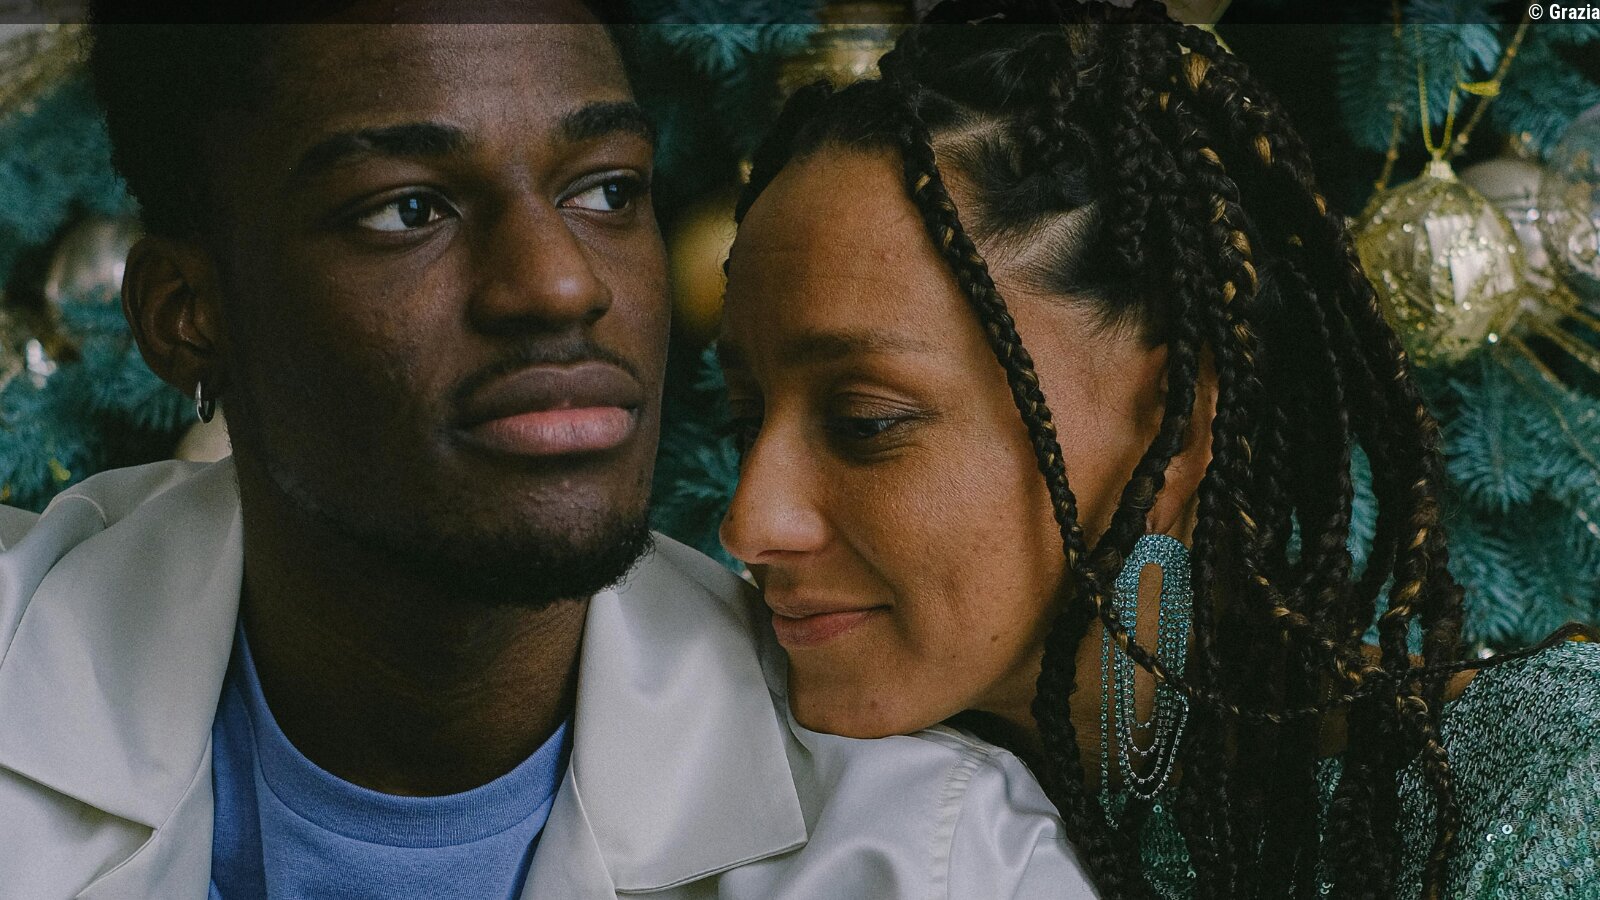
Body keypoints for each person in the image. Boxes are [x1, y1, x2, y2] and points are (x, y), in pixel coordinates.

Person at [0, 4, 1098, 898]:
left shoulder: (935, 859)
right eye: (408, 210)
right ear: (185, 314)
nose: (561, 282)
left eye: (607, 190)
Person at [716, 2, 1600, 898]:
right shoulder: (781, 799)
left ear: (1172, 428)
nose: (750, 523)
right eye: (744, 420)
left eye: (866, 421)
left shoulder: (1553, 787)